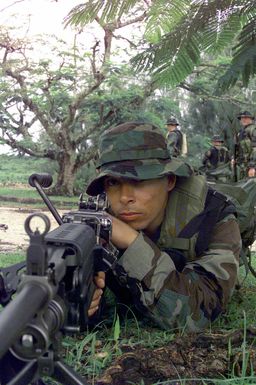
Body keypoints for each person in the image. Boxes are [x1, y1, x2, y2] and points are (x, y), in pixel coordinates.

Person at [87, 122, 241, 331]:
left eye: (139, 180)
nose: (125, 197)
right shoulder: (102, 217)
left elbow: (198, 314)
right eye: (113, 183)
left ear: (169, 180)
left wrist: (132, 242)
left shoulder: (215, 216)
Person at [235, 111, 256, 179]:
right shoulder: (240, 132)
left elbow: (255, 148)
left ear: (251, 119)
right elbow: (238, 148)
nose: (243, 119)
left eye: (246, 118)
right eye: (242, 118)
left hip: (252, 165)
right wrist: (234, 158)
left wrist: (252, 167)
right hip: (242, 165)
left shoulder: (253, 129)